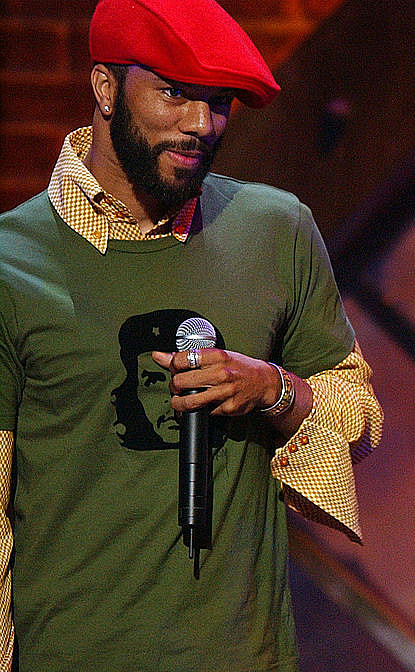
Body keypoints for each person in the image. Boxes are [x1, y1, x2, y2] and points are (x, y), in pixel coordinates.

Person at [0, 0, 383, 669]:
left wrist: (274, 390)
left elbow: (361, 417)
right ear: (105, 88)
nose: (201, 126)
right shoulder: (11, 263)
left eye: (219, 102)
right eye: (174, 94)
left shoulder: (276, 230)